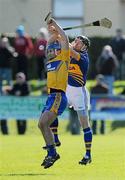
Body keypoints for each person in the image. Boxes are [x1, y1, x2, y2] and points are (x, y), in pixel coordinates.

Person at [50, 35, 93, 165]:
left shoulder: (83, 57)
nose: (76, 42)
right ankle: (56, 139)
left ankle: (88, 154)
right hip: (67, 90)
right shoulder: (70, 53)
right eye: (76, 40)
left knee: (84, 124)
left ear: (84, 46)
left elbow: (67, 48)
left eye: (78, 41)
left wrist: (60, 34)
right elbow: (58, 50)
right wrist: (56, 35)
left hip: (79, 93)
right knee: (52, 112)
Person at [38, 18, 70, 169]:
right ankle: (52, 153)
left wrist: (55, 25)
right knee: (41, 125)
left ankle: (52, 153)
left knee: (44, 123)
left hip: (59, 96)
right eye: (49, 49)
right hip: (51, 97)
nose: (49, 51)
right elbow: (50, 42)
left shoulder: (63, 58)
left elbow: (64, 38)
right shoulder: (48, 61)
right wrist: (53, 31)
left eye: (52, 49)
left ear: (58, 51)